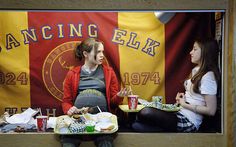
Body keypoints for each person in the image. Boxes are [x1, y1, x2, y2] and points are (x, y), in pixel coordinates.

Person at [132, 38, 221, 132]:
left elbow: (211, 110)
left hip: (189, 121)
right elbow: (195, 97)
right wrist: (183, 98)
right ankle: (165, 132)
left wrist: (184, 104)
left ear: (205, 52)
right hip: (180, 112)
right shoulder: (196, 70)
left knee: (145, 112)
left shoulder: (208, 76)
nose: (191, 52)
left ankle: (166, 132)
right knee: (136, 124)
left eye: (195, 49)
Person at [61, 38, 130, 147]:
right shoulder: (72, 74)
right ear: (85, 54)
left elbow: (113, 104)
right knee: (68, 142)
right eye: (98, 52)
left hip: (102, 121)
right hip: (79, 121)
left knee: (106, 142)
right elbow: (66, 102)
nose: (102, 55)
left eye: (102, 51)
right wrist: (69, 109)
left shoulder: (109, 72)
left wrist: (119, 96)